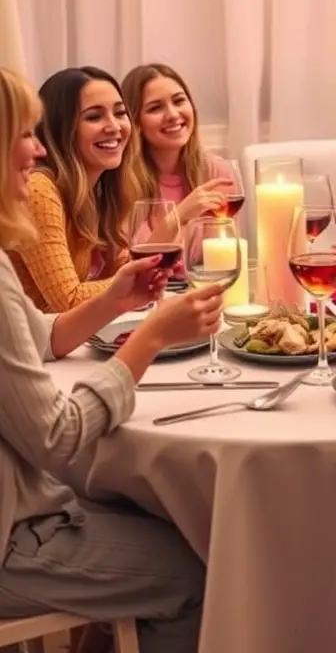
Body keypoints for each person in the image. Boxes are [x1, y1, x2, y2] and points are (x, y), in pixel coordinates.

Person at [0, 65, 225, 652]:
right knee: (203, 574)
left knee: (143, 507)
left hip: (24, 501)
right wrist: (149, 337)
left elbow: (44, 334)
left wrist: (121, 298)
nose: (37, 150)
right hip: (8, 536)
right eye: (26, 134)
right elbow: (54, 438)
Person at [9, 67, 139, 312]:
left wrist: (138, 273)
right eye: (94, 117)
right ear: (61, 130)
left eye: (120, 113)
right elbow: (68, 300)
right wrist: (136, 278)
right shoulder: (39, 190)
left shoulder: (100, 188)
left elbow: (120, 266)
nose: (114, 126)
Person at [122, 63, 237, 225]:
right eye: (155, 108)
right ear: (135, 122)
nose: (173, 114)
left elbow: (227, 243)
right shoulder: (123, 183)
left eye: (179, 101)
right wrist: (181, 214)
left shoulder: (216, 172)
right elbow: (132, 250)